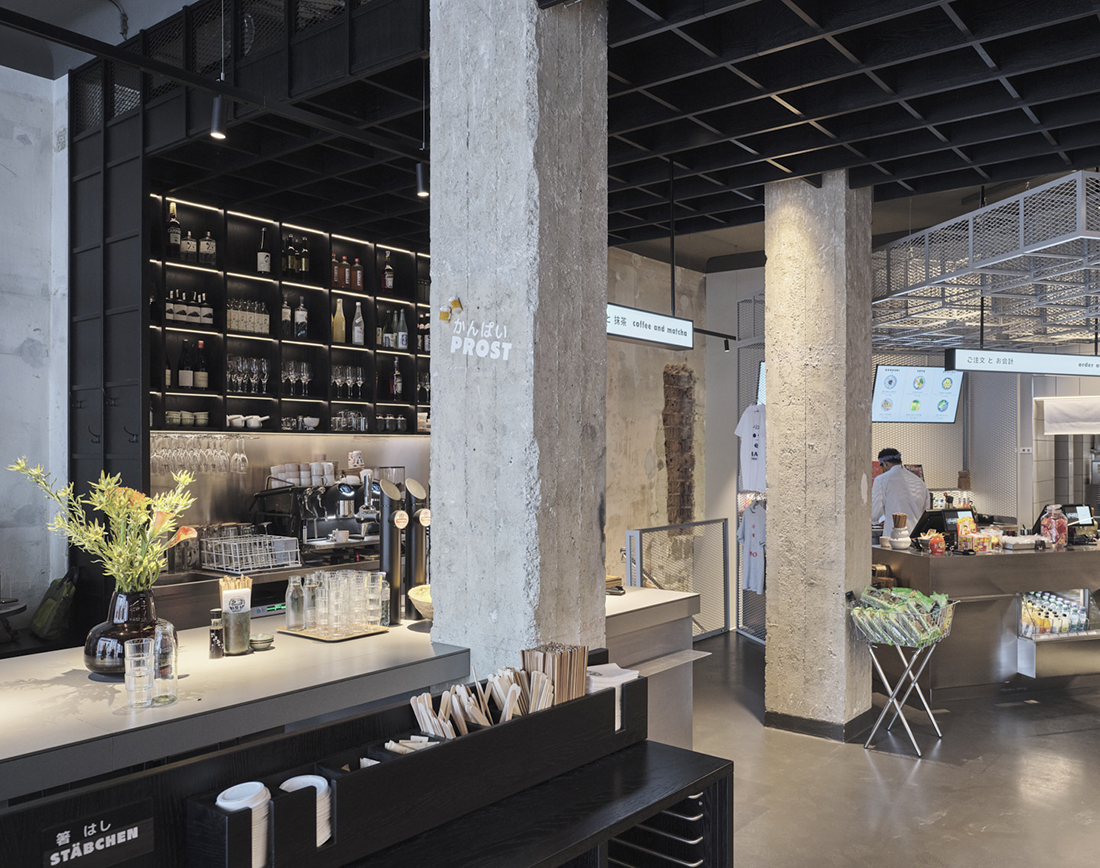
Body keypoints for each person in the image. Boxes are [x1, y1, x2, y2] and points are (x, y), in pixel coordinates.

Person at [871, 448, 930, 538]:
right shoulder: (919, 482)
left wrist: (877, 521)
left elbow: (874, 513)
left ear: (884, 464)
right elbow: (926, 512)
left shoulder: (881, 479)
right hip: (916, 537)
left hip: (894, 537)